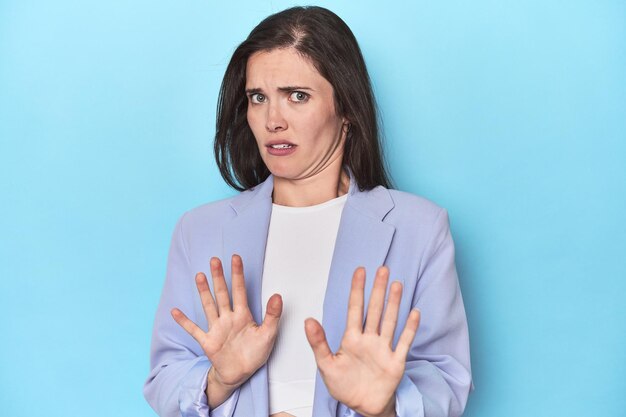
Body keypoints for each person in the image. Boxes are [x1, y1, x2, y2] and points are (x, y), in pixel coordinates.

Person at [143, 6, 472, 417]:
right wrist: (219, 379)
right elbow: (164, 377)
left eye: (297, 96)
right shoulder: (199, 230)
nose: (272, 120)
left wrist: (386, 407)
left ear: (347, 108)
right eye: (257, 98)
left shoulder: (419, 228)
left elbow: (447, 379)